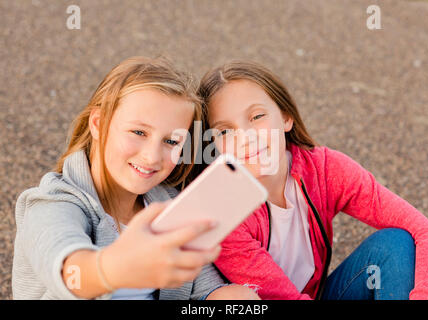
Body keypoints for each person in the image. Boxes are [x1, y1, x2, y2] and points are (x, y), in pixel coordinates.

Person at [12, 56, 259, 300]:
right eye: (138, 132)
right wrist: (114, 269)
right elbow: (70, 272)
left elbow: (205, 289)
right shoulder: (51, 204)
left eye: (171, 141)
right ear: (98, 123)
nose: (152, 157)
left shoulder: (166, 200)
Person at [196, 60, 428, 300]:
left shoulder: (324, 169)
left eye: (257, 116)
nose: (246, 137)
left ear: (285, 117)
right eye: (225, 131)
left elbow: (426, 232)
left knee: (395, 244)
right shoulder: (224, 213)